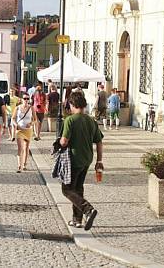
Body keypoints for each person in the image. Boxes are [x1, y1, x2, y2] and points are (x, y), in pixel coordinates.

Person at [59, 91, 104, 230]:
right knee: (77, 188)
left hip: (74, 159)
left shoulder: (70, 120)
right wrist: (99, 160)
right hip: (87, 159)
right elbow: (99, 141)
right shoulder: (91, 120)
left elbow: (64, 141)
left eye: (69, 105)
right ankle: (77, 219)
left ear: (72, 104)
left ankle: (88, 209)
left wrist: (59, 142)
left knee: (67, 189)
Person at [12, 92, 36, 172]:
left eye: (27, 99)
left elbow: (35, 119)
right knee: (20, 148)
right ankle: (19, 166)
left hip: (28, 130)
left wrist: (31, 123)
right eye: (24, 98)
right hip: (19, 130)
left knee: (26, 148)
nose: (26, 100)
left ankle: (25, 164)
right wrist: (16, 125)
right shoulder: (17, 108)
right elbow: (13, 118)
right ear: (21, 99)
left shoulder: (31, 108)